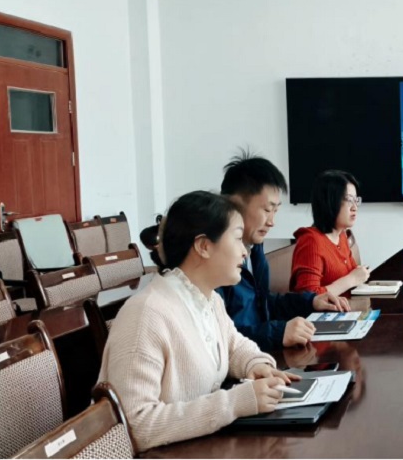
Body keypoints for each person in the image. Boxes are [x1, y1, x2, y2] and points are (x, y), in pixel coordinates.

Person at [98, 191, 298, 451]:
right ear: (203, 246)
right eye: (238, 238)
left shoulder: (209, 299)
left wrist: (256, 364)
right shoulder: (145, 316)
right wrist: (234, 403)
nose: (244, 252)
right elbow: (135, 425)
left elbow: (233, 345)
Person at [218, 151, 350, 351]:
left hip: (260, 357)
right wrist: (279, 332)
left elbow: (263, 303)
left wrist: (311, 301)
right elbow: (221, 338)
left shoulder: (254, 248)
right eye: (266, 210)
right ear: (233, 204)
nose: (272, 222)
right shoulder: (216, 260)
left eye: (275, 211)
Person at [290, 169, 369, 295]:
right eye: (349, 200)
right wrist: (351, 280)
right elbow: (307, 297)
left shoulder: (341, 235)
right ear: (329, 201)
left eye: (356, 200)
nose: (355, 207)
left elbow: (354, 273)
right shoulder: (311, 242)